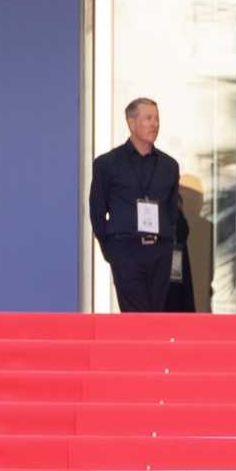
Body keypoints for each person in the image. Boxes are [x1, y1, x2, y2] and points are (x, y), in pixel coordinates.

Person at [88, 97, 189, 312]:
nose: (154, 124)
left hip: (159, 251)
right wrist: (111, 250)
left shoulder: (169, 166)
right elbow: (97, 211)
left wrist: (167, 243)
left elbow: (172, 212)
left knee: (156, 315)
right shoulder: (107, 164)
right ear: (131, 123)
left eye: (157, 119)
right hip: (125, 248)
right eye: (148, 118)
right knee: (135, 317)